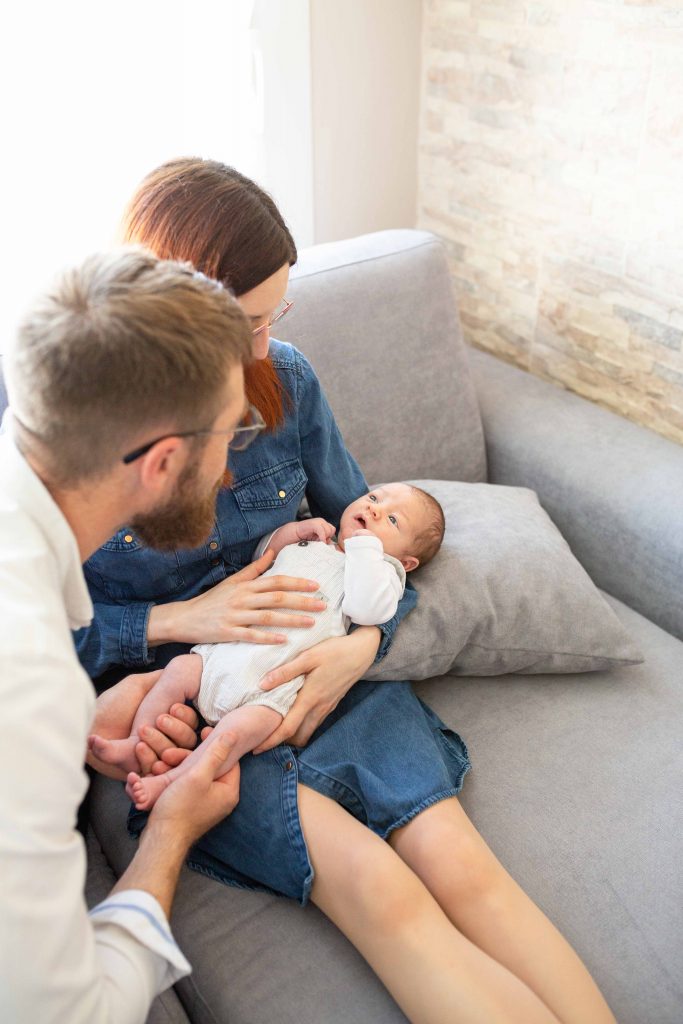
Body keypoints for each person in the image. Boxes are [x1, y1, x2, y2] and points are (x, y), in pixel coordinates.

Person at [80, 158, 616, 1024]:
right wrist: (178, 620)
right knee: (382, 895)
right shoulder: (58, 417)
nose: (262, 347)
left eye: (272, 317)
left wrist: (356, 651)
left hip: (333, 669)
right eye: (244, 324)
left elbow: (375, 540)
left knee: (468, 875)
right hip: (202, 717)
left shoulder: (285, 382)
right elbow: (29, 635)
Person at [0, 249, 255, 1023]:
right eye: (230, 434)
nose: (228, 469)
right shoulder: (29, 678)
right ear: (164, 460)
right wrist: (169, 835)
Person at [89, 483, 446, 810]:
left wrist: (365, 547)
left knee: (230, 739)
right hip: (227, 652)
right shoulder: (317, 537)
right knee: (177, 672)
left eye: (393, 520)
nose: (376, 511)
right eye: (374, 498)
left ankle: (173, 781)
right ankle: (136, 741)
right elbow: (265, 557)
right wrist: (288, 534)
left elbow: (368, 608)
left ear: (406, 562)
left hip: (272, 689)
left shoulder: (385, 573)